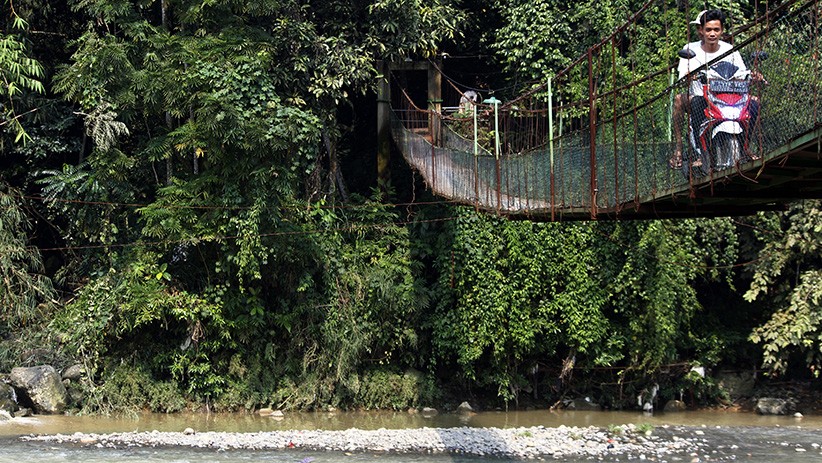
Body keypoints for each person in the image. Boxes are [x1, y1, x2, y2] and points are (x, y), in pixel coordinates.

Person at [673, 9, 760, 168]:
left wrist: (753, 76)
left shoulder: (730, 50)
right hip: (702, 96)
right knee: (682, 100)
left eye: (716, 30)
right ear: (701, 30)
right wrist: (688, 76)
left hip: (728, 96)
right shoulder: (690, 49)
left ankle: (746, 145)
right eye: (708, 30)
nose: (712, 33)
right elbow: (683, 76)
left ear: (722, 31)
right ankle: (692, 149)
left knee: (754, 102)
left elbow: (742, 72)